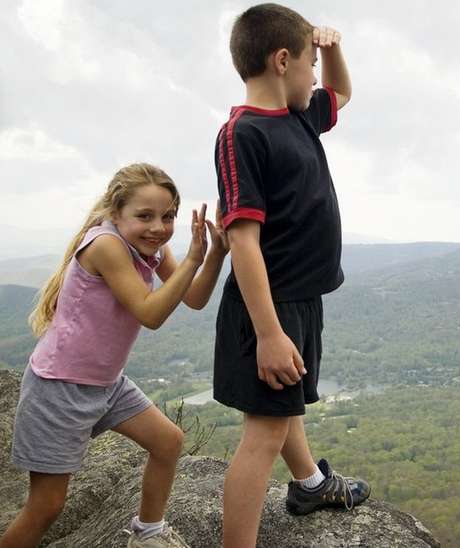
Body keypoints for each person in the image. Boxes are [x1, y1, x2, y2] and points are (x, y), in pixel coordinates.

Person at [0, 163, 228, 548]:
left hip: (106, 384)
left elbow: (195, 298)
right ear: (116, 212)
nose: (158, 227)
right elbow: (150, 313)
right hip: (60, 388)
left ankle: (148, 533)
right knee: (47, 506)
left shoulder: (150, 247)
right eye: (145, 216)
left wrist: (215, 254)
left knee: (168, 442)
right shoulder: (105, 244)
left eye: (168, 216)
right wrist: (192, 259)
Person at [213, 4, 369, 546]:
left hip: (299, 300)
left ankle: (310, 485)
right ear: (283, 61)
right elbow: (243, 241)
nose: (317, 76)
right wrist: (269, 333)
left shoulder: (299, 114)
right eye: (309, 64)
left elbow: (343, 94)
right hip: (269, 307)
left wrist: (330, 50)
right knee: (265, 432)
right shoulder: (242, 134)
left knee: (285, 406)